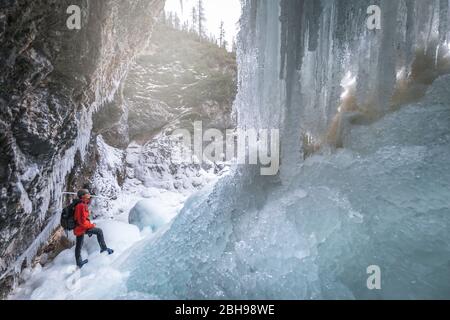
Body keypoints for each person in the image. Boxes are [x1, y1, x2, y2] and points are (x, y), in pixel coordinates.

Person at [74, 189, 114, 268]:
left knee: (79, 245)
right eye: (87, 193)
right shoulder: (81, 206)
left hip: (79, 228)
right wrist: (91, 225)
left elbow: (84, 220)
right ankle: (104, 249)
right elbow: (82, 222)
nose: (89, 194)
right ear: (82, 196)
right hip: (81, 228)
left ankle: (79, 263)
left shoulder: (82, 204)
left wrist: (89, 225)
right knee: (99, 231)